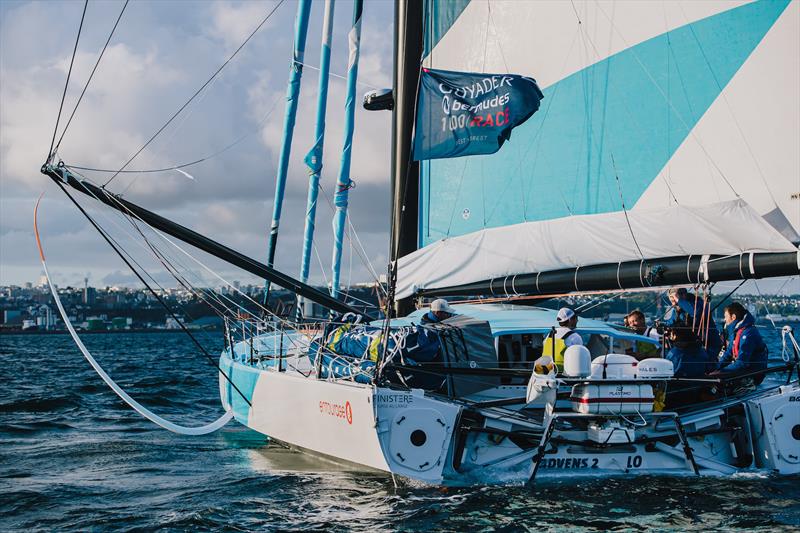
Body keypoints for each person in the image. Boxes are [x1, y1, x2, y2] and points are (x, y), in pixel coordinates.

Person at [712, 302, 768, 385]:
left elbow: (742, 362)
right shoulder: (736, 331)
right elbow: (728, 353)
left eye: (726, 316)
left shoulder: (748, 333)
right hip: (742, 370)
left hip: (753, 374)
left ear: (733, 317)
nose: (725, 319)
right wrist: (716, 368)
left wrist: (721, 372)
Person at [663, 287, 722, 359]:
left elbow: (695, 312)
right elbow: (673, 321)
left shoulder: (699, 304)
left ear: (684, 296)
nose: (673, 304)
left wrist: (678, 300)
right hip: (692, 347)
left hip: (708, 345)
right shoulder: (678, 309)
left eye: (674, 300)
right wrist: (664, 326)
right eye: (672, 301)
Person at [541, 307, 583, 372]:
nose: (577, 320)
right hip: (564, 375)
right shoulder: (575, 337)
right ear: (570, 320)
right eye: (576, 318)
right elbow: (579, 359)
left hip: (546, 372)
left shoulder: (549, 334)